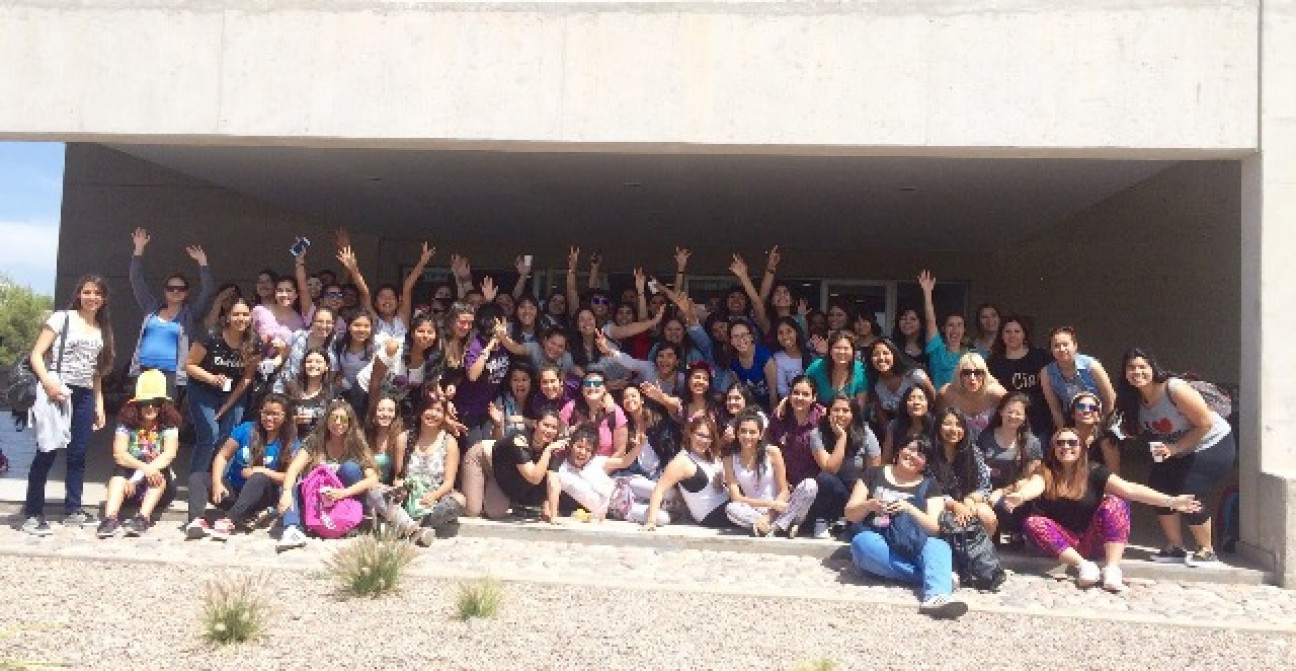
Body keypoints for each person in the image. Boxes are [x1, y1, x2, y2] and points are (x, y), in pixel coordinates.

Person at [1004, 427, 1203, 592]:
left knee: (1116, 502)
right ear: (1053, 448)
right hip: (1063, 543)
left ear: (1081, 448)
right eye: (1060, 443)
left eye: (1072, 443)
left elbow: (1131, 489)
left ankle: (1112, 569)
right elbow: (1034, 486)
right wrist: (1020, 496)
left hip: (1094, 539)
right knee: (1032, 523)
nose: (1066, 447)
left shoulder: (1095, 471)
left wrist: (1172, 501)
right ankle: (1083, 566)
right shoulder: (1045, 472)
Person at [1114, 348, 1235, 567]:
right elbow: (1138, 429)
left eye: (1143, 366)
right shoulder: (1134, 400)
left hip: (1213, 442)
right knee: (1158, 484)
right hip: (1178, 448)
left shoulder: (1173, 389)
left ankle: (1207, 550)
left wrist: (1176, 448)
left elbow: (1205, 423)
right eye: (1131, 368)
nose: (1137, 372)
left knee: (1190, 488)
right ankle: (1176, 547)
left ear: (1153, 368)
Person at [24, 275, 116, 535]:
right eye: (87, 292)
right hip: (58, 391)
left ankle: (73, 508)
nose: (92, 297)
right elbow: (36, 354)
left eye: (97, 293)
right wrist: (48, 383)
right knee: (47, 452)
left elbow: (97, 370)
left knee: (78, 454)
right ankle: (33, 512)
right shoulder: (62, 319)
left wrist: (99, 403)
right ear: (78, 294)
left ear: (104, 299)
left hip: (85, 394)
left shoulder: (102, 328)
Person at [843, 436, 968, 619]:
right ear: (899, 451)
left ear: (926, 464)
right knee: (861, 544)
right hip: (879, 542)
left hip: (914, 542)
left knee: (938, 546)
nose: (912, 455)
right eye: (909, 449)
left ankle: (936, 597)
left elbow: (934, 528)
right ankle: (937, 578)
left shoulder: (930, 486)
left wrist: (908, 508)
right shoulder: (873, 474)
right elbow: (850, 513)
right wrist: (869, 505)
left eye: (921, 454)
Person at [183, 296, 259, 527]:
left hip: (234, 394)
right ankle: (195, 487)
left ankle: (219, 489)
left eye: (245, 315)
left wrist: (228, 404)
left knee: (228, 439)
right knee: (209, 436)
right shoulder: (211, 336)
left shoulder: (252, 342)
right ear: (227, 316)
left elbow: (247, 377)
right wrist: (212, 378)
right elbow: (189, 365)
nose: (241, 319)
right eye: (236, 314)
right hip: (203, 390)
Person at [276, 400, 382, 551]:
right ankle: (293, 529)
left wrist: (342, 493)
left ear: (350, 423)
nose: (338, 423)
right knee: (288, 485)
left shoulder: (355, 445)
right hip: (318, 498)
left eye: (343, 419)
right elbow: (293, 469)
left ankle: (357, 518)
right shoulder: (315, 441)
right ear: (327, 420)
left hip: (346, 497)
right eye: (333, 418)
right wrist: (286, 492)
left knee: (350, 469)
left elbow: (372, 478)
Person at [196, 393, 298, 540]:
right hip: (234, 491)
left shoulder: (290, 441)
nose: (269, 418)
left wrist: (262, 470)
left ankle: (229, 521)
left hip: (263, 497)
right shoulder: (246, 429)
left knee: (259, 478)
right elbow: (222, 456)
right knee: (198, 477)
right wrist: (217, 482)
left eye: (275, 414)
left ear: (285, 416)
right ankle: (197, 520)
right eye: (266, 413)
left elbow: (290, 477)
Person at [127, 228, 214, 399]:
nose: (175, 291)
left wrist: (203, 263)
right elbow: (136, 280)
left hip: (172, 376)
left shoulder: (190, 315)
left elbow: (208, 291)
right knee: (141, 417)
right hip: (143, 371)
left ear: (187, 292)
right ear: (164, 291)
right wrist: (138, 249)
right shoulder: (151, 308)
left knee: (166, 419)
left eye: (180, 288)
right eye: (171, 288)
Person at [96, 370, 181, 538]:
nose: (150, 407)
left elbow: (169, 454)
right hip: (129, 485)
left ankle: (143, 517)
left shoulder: (169, 426)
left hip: (157, 486)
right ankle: (110, 518)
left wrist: (142, 474)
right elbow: (119, 454)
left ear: (162, 404)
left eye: (155, 402)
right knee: (119, 473)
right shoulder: (126, 424)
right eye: (145, 402)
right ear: (137, 404)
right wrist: (143, 469)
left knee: (159, 474)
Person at [722, 409, 819, 536]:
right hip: (754, 511)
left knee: (810, 485)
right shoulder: (729, 459)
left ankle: (773, 527)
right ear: (737, 433)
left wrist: (771, 512)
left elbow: (784, 490)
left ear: (760, 435)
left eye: (752, 432)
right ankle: (778, 526)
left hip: (781, 508)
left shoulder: (772, 452)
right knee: (731, 509)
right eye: (743, 431)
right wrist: (769, 505)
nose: (747, 436)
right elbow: (736, 497)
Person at [459, 409, 568, 519]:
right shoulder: (519, 441)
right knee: (472, 511)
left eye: (554, 427)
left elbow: (553, 482)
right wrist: (548, 451)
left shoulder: (550, 450)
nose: (549, 430)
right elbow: (534, 477)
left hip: (499, 470)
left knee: (495, 513)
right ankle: (454, 496)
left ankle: (482, 486)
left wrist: (553, 516)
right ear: (535, 424)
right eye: (546, 425)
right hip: (480, 458)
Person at [641, 416, 731, 529]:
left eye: (708, 437)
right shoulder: (682, 461)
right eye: (700, 435)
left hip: (726, 504)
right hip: (711, 514)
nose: (704, 440)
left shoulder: (711, 456)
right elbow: (659, 490)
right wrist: (651, 522)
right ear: (690, 434)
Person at [396, 395, 466, 538]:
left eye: (439, 410)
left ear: (444, 415)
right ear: (421, 411)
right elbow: (399, 475)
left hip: (435, 498)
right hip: (410, 498)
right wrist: (401, 487)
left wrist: (433, 496)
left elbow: (449, 482)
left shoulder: (449, 441)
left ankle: (412, 527)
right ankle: (416, 528)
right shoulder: (403, 438)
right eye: (429, 409)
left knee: (459, 500)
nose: (433, 414)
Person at [977, 393, 1043, 536]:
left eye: (1018, 413)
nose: (1013, 416)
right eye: (1009, 412)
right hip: (986, 493)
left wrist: (1002, 492)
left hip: (1015, 495)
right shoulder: (985, 437)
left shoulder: (1031, 443)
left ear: (1025, 417)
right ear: (1000, 412)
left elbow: (1031, 479)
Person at [810, 394, 882, 524]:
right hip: (834, 492)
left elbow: (874, 472)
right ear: (828, 412)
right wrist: (842, 437)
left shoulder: (866, 433)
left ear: (853, 414)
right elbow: (831, 469)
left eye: (846, 411)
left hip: (859, 494)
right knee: (824, 478)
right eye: (836, 410)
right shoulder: (817, 434)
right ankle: (825, 521)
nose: (840, 414)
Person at [358, 313, 443, 421]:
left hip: (390, 404)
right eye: (420, 331)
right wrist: (372, 411)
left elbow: (434, 387)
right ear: (412, 333)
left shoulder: (433, 360)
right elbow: (375, 378)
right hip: (366, 392)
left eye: (430, 332)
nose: (425, 336)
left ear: (436, 336)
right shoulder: (395, 348)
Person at [927, 407, 996, 536]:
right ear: (938, 427)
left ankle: (981, 551)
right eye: (947, 424)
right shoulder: (928, 453)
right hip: (937, 503)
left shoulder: (973, 451)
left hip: (967, 502)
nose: (954, 429)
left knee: (986, 515)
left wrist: (970, 499)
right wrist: (954, 505)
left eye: (958, 425)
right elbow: (927, 488)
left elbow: (985, 486)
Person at [986, 315, 1053, 439]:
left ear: (1024, 334)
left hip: (1039, 424)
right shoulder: (993, 363)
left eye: (1017, 331)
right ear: (1001, 335)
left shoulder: (1040, 356)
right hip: (1008, 426)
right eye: (1008, 331)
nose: (1012, 335)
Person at [1039, 326, 1117, 430]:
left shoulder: (1092, 366)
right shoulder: (1046, 373)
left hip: (1099, 419)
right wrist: (1065, 432)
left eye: (1065, 344)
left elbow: (1110, 400)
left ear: (1075, 346)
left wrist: (1102, 429)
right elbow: (1055, 409)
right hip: (1071, 420)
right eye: (1056, 346)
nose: (1062, 349)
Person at [864, 338, 935, 435]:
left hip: (924, 429)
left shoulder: (915, 376)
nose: (881, 358)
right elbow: (883, 420)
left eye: (885, 353)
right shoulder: (874, 383)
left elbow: (934, 402)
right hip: (896, 433)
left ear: (894, 354)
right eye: (876, 354)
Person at [936, 352, 1006, 441]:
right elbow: (937, 423)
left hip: (990, 447)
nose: (972, 378)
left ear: (985, 375)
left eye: (978, 373)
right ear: (959, 375)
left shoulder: (997, 393)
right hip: (958, 446)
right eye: (967, 373)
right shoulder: (946, 393)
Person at [559, 369, 628, 457]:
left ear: (605, 389)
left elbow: (620, 451)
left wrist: (602, 469)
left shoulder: (615, 412)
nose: (592, 387)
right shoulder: (571, 408)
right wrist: (569, 433)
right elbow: (560, 440)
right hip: (573, 464)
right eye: (587, 384)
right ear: (582, 389)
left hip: (604, 465)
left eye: (597, 384)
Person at [918, 269, 966, 388]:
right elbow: (930, 321)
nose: (955, 329)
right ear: (943, 329)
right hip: (940, 405)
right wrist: (927, 293)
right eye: (951, 325)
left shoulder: (971, 355)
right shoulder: (937, 350)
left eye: (959, 325)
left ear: (964, 330)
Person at [804, 331, 868, 406]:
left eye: (846, 348)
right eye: (837, 348)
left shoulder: (860, 369)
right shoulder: (816, 367)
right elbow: (804, 391)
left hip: (850, 415)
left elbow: (861, 406)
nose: (841, 352)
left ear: (853, 351)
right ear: (830, 350)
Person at [284, 348, 337, 435]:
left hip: (319, 439)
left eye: (318, 362)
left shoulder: (332, 391)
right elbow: (280, 415)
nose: (313, 365)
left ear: (326, 366)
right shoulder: (290, 387)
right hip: (292, 437)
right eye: (309, 362)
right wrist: (294, 420)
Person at [766, 316, 816, 410]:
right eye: (780, 333)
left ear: (796, 332)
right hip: (791, 405)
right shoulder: (778, 358)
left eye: (789, 331)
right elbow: (782, 390)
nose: (785, 336)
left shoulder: (811, 352)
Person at [1066, 391, 1122, 475]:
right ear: (1073, 414)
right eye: (1081, 406)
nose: (1086, 410)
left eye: (1093, 408)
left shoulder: (1107, 442)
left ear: (1098, 417)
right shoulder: (1063, 439)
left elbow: (1115, 475)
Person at [333, 309, 377, 413]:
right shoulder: (339, 344)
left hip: (367, 397)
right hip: (344, 394)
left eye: (366, 326)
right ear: (349, 326)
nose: (361, 330)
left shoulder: (376, 347)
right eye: (357, 325)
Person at [726, 320, 774, 408]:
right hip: (750, 407)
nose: (740, 340)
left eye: (744, 335)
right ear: (731, 341)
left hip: (770, 404)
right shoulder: (733, 363)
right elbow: (741, 393)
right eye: (735, 336)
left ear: (751, 337)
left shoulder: (764, 356)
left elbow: (773, 391)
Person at [882, 385, 936, 464]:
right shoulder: (895, 425)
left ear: (928, 403)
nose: (916, 403)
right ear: (905, 404)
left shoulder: (936, 426)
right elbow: (886, 459)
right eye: (911, 399)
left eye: (921, 399)